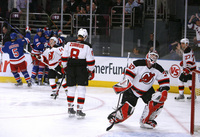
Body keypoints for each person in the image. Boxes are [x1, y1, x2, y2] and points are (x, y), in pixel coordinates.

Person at [107, 50, 170, 129]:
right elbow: (128, 75)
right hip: (132, 90)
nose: (153, 58)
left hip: (147, 91)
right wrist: (125, 83)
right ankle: (116, 116)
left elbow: (164, 80)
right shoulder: (138, 64)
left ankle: (146, 120)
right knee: (127, 111)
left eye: (155, 57)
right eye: (152, 56)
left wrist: (164, 90)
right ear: (148, 55)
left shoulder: (158, 68)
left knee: (158, 99)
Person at [61, 28, 95, 118]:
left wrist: (64, 66)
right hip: (81, 68)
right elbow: (90, 61)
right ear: (85, 36)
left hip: (70, 66)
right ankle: (79, 110)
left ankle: (70, 108)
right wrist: (91, 70)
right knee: (81, 89)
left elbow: (64, 57)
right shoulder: (87, 46)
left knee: (71, 89)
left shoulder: (68, 43)